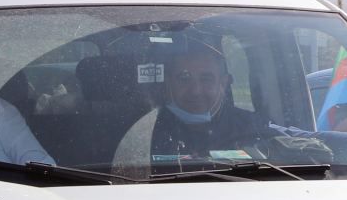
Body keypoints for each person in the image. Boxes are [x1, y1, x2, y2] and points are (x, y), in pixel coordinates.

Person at [112, 42, 264, 169]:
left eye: (206, 79)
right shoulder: (142, 132)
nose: (195, 90)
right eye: (184, 78)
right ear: (168, 84)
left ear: (223, 84)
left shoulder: (254, 128)